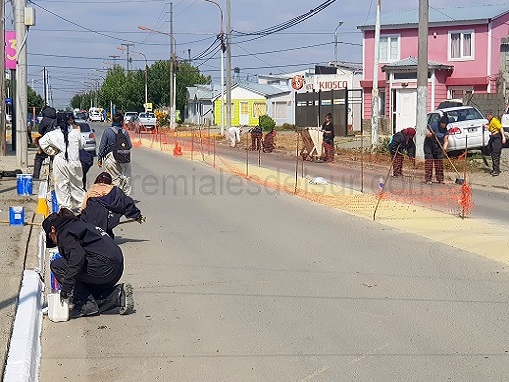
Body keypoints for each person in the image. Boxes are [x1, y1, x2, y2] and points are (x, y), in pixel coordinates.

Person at [42, 209, 134, 318]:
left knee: (58, 265)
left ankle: (87, 305)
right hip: (116, 268)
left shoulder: (65, 233)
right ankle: (118, 295)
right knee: (88, 293)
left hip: (102, 267)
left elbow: (77, 257)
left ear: (53, 230)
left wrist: (66, 287)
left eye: (51, 238)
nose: (53, 242)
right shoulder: (80, 225)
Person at [39, 113, 86, 212]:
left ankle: (65, 210)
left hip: (60, 160)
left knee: (61, 186)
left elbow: (42, 142)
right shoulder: (76, 133)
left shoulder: (53, 134)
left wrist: (52, 151)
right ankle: (83, 208)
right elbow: (83, 144)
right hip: (74, 161)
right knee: (77, 186)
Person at [80, 172, 145, 238]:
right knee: (117, 207)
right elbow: (127, 203)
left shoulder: (92, 188)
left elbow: (83, 207)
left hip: (91, 219)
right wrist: (137, 216)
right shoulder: (115, 190)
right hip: (108, 217)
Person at [98, 112, 132, 195]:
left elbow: (102, 146)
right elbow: (129, 145)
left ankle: (115, 197)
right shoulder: (125, 132)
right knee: (125, 178)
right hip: (124, 158)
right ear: (121, 122)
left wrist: (100, 158)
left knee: (113, 179)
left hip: (111, 158)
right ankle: (124, 197)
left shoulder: (107, 131)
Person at [33, 106, 58, 180]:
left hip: (47, 142)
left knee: (39, 157)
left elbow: (40, 131)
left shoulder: (45, 119)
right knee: (55, 158)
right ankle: (57, 176)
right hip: (56, 142)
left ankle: (36, 176)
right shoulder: (57, 119)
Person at [424, 114, 449, 184]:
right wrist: (432, 135)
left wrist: (444, 148)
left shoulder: (445, 131)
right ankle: (428, 179)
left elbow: (446, 140)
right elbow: (427, 134)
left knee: (439, 162)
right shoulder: (434, 126)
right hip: (429, 145)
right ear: (440, 122)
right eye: (442, 123)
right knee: (429, 161)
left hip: (438, 146)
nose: (443, 125)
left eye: (445, 124)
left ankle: (440, 179)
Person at [484, 110, 506, 176]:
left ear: (490, 116)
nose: (486, 117)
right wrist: (487, 127)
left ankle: (496, 170)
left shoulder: (495, 121)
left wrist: (503, 137)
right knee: (491, 150)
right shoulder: (491, 121)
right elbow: (492, 127)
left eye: (487, 116)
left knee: (495, 154)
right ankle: (495, 169)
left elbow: (500, 128)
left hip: (497, 138)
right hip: (492, 137)